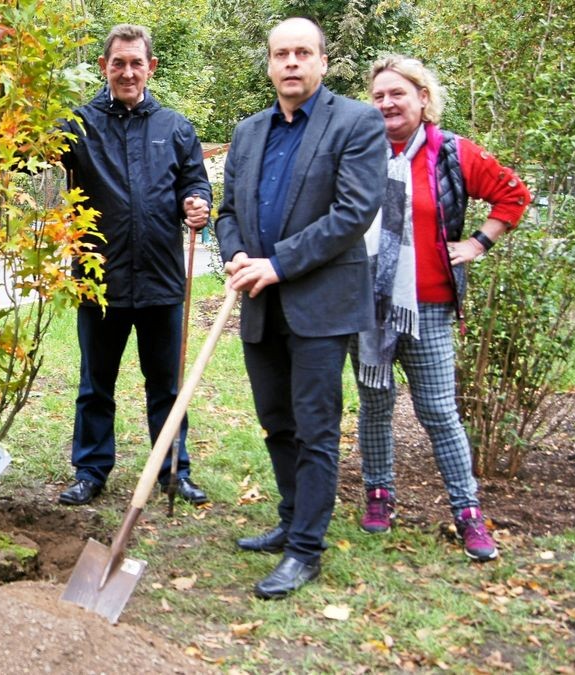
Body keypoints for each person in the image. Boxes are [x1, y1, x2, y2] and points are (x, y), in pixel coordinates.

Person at [214, 17, 387, 598]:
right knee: (276, 422)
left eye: (302, 53)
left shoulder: (357, 123)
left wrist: (278, 263)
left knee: (315, 427)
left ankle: (306, 549)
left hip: (321, 303)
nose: (291, 62)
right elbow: (227, 213)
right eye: (281, 54)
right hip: (261, 303)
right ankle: (291, 518)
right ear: (268, 64)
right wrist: (237, 253)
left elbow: (352, 213)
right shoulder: (247, 132)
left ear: (321, 62)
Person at [351, 55, 530, 562]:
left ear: (423, 98)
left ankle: (468, 512)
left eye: (398, 94)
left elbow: (513, 196)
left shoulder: (450, 152)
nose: (387, 103)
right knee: (376, 405)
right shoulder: (362, 152)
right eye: (379, 95)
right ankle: (379, 495)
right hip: (368, 305)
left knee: (437, 411)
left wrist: (477, 243)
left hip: (428, 306)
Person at [53, 23, 212, 508]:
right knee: (95, 385)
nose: (126, 72)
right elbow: (25, 158)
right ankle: (91, 471)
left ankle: (172, 470)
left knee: (165, 384)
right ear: (104, 67)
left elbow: (196, 183)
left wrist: (198, 203)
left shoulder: (176, 128)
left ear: (150, 68)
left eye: (135, 63)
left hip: (162, 278)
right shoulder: (78, 125)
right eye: (117, 63)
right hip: (100, 279)